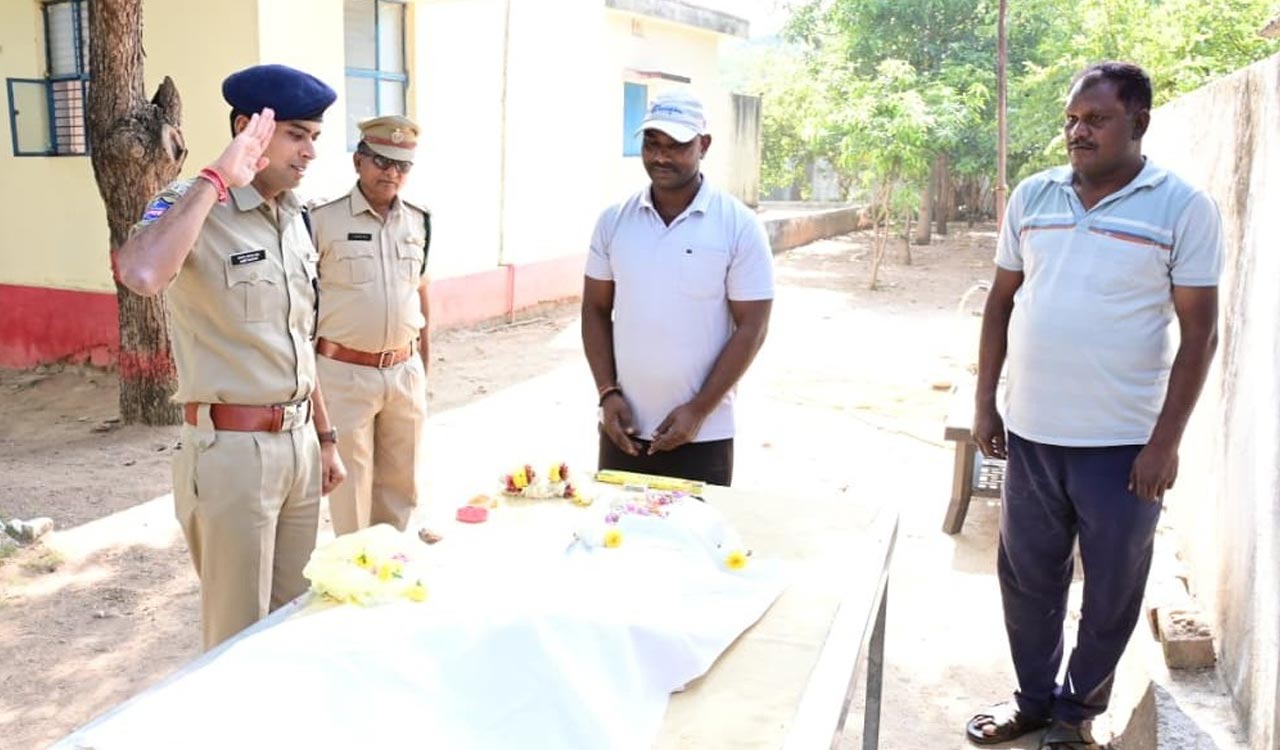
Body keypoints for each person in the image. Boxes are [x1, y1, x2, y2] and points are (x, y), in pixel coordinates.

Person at [966, 62, 1222, 750]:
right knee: (1026, 580)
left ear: (1138, 122)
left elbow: (1200, 333)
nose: (1078, 132)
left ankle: (1076, 717)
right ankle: (1032, 701)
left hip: (1124, 445)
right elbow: (1000, 303)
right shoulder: (1033, 195)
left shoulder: (1182, 208)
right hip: (1032, 434)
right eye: (1072, 119)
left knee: (1111, 590)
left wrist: (1165, 442)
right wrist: (986, 405)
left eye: (1097, 119)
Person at [115, 64, 347, 650]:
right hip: (233, 454)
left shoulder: (293, 217)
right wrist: (217, 177)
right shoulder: (190, 206)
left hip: (297, 447)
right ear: (249, 129)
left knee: (291, 621)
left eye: (314, 137)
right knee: (236, 637)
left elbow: (296, 339)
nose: (309, 152)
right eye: (297, 134)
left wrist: (325, 437)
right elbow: (142, 273)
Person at [581, 90, 774, 487]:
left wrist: (700, 410)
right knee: (617, 543)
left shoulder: (737, 225)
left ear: (703, 145)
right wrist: (607, 393)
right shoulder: (614, 221)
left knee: (696, 544)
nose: (661, 157)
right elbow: (595, 310)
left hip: (703, 435)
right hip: (624, 429)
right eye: (652, 144)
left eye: (677, 146)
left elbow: (752, 327)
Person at [309, 115, 431, 535]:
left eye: (402, 165)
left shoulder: (419, 221)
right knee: (351, 488)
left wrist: (422, 371)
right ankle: (353, 573)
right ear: (358, 161)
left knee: (402, 484)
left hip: (404, 372)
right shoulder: (321, 221)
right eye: (381, 161)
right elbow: (301, 305)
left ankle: (392, 568)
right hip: (344, 375)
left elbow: (420, 295)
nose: (391, 173)